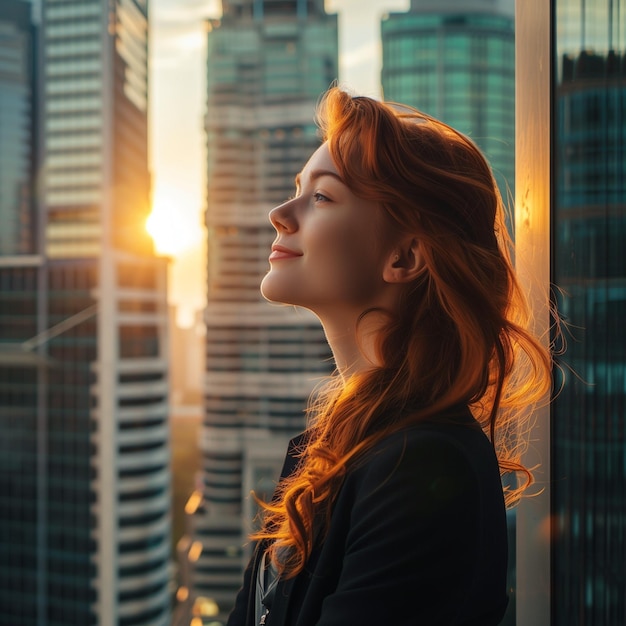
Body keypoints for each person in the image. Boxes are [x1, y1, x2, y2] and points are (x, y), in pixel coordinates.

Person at [226, 86, 552, 626]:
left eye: (322, 197)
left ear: (404, 256)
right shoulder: (329, 449)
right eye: (297, 190)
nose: (280, 214)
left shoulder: (424, 466)